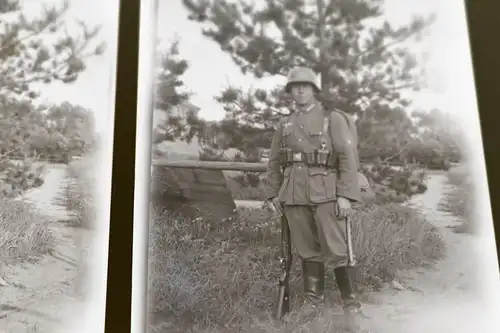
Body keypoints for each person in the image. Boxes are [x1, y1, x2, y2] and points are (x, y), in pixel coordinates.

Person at [264, 66, 364, 326]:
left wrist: (345, 195)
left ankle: (351, 305)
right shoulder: (284, 123)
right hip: (294, 194)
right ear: (290, 92)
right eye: (295, 86)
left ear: (313, 90)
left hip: (326, 193)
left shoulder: (332, 118)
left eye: (305, 86)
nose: (299, 90)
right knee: (307, 250)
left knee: (337, 249)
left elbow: (347, 158)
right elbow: (275, 160)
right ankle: (313, 302)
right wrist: (272, 193)